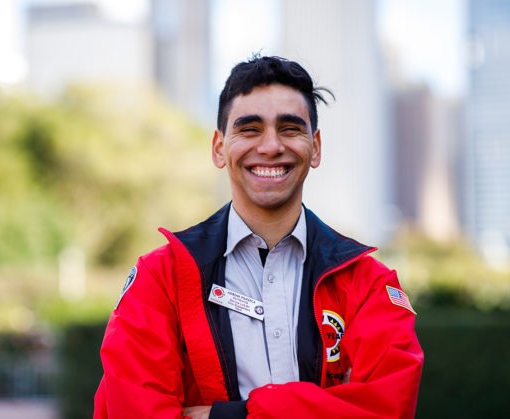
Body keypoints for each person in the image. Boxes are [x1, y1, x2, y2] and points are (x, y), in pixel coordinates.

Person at [93, 55, 424, 418]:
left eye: (289, 129)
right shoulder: (160, 279)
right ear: (219, 148)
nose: (270, 146)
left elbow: (388, 408)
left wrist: (229, 415)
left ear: (315, 147)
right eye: (250, 129)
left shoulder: (368, 284)